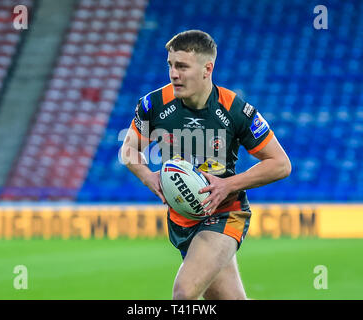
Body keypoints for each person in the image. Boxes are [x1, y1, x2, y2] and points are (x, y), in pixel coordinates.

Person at [121, 30, 291, 300]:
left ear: (207, 69)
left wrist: (228, 185)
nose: (173, 74)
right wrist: (147, 177)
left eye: (182, 66)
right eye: (170, 65)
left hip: (225, 214)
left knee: (184, 293)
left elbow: (280, 164)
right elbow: (129, 149)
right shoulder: (154, 104)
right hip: (182, 218)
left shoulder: (234, 109)